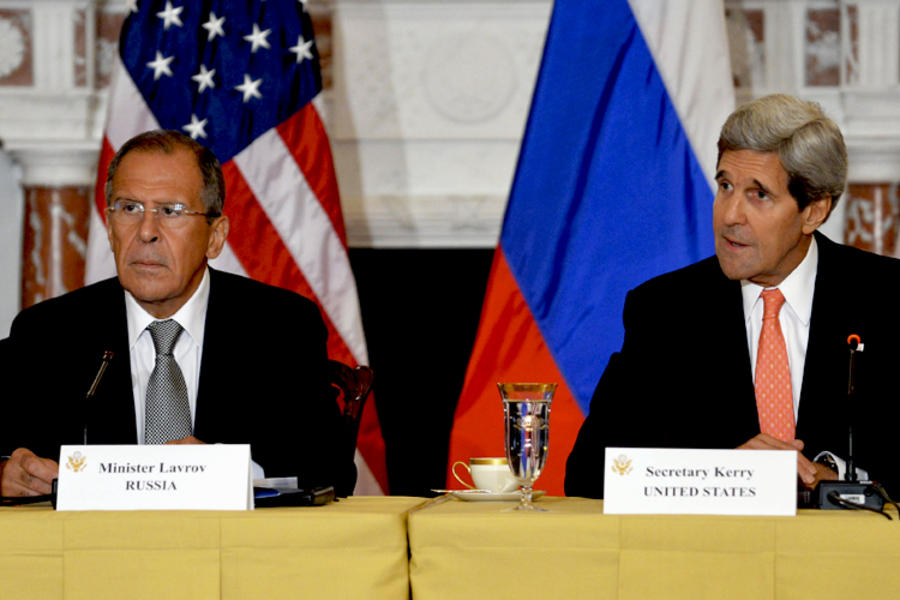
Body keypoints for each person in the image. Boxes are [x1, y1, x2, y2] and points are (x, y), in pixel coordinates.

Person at [565, 94, 900, 499]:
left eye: (759, 195)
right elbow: (589, 474)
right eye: (725, 186)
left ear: (813, 211)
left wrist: (837, 478)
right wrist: (721, 474)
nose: (729, 215)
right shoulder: (665, 310)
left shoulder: (890, 299)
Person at [0, 130, 351, 497]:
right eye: (129, 208)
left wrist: (227, 470)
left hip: (231, 535)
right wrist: (4, 472)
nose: (146, 232)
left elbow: (332, 471)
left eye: (171, 211)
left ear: (215, 236)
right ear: (109, 227)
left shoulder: (281, 326)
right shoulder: (48, 332)